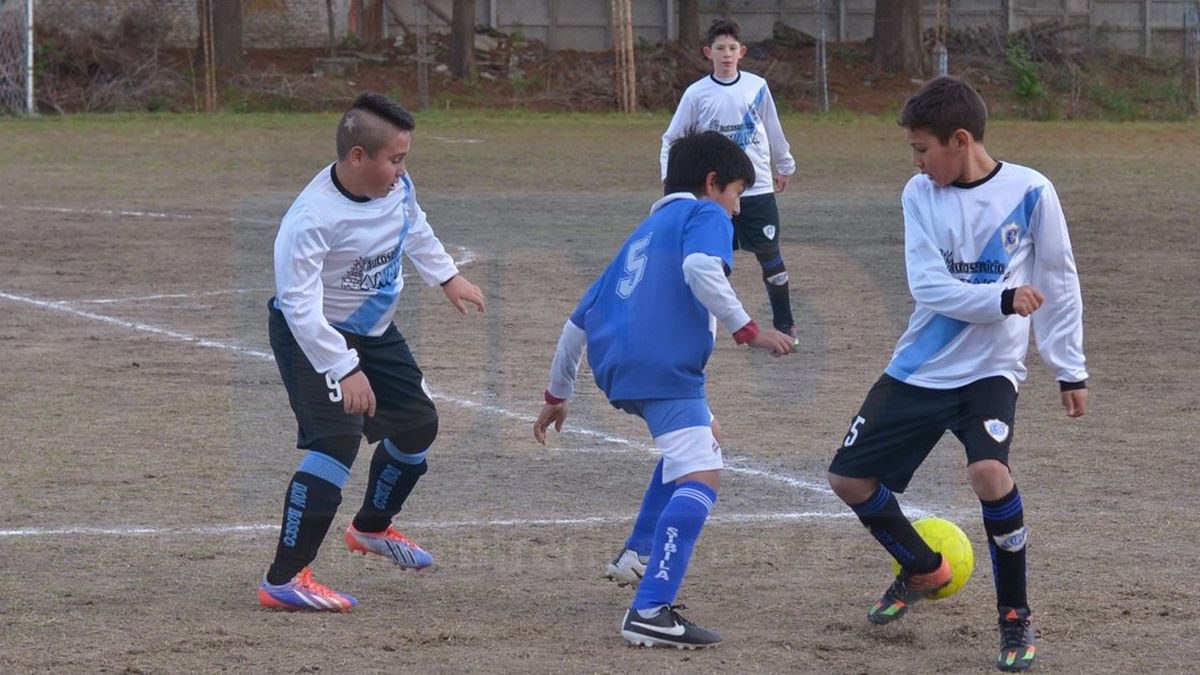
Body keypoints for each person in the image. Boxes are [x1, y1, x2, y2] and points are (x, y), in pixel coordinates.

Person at [826, 77, 1088, 672]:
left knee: (989, 472)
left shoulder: (1031, 191)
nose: (917, 162)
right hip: (921, 366)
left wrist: (1069, 369)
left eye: (923, 148)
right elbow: (929, 287)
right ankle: (921, 567)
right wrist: (1001, 299)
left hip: (990, 371)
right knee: (848, 480)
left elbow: (1061, 280)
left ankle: (1014, 617)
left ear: (960, 139)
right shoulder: (920, 195)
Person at [533, 131, 795, 648]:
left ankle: (637, 553)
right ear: (712, 183)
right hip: (665, 368)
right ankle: (650, 609)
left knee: (704, 437)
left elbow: (576, 325)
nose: (738, 208)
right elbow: (701, 269)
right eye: (738, 193)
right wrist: (749, 328)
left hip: (620, 370)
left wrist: (556, 395)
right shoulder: (707, 215)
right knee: (703, 472)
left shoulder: (644, 231)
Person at [257, 92, 485, 612]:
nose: (402, 171)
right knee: (337, 442)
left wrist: (446, 275)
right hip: (312, 334)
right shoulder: (311, 218)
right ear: (358, 156)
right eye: (395, 159)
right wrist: (344, 367)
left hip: (374, 331)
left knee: (419, 426)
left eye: (405, 158)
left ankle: (371, 528)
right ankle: (284, 578)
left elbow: (415, 226)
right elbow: (298, 307)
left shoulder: (397, 187)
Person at [660, 18, 799, 340]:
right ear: (708, 52)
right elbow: (672, 138)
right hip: (714, 193)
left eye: (732, 48)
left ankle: (785, 324)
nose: (726, 54)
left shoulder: (756, 87)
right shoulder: (697, 93)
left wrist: (785, 164)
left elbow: (773, 129)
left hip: (757, 187)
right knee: (709, 260)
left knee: (770, 257)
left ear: (742, 52)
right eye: (720, 48)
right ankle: (694, 326)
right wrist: (670, 180)